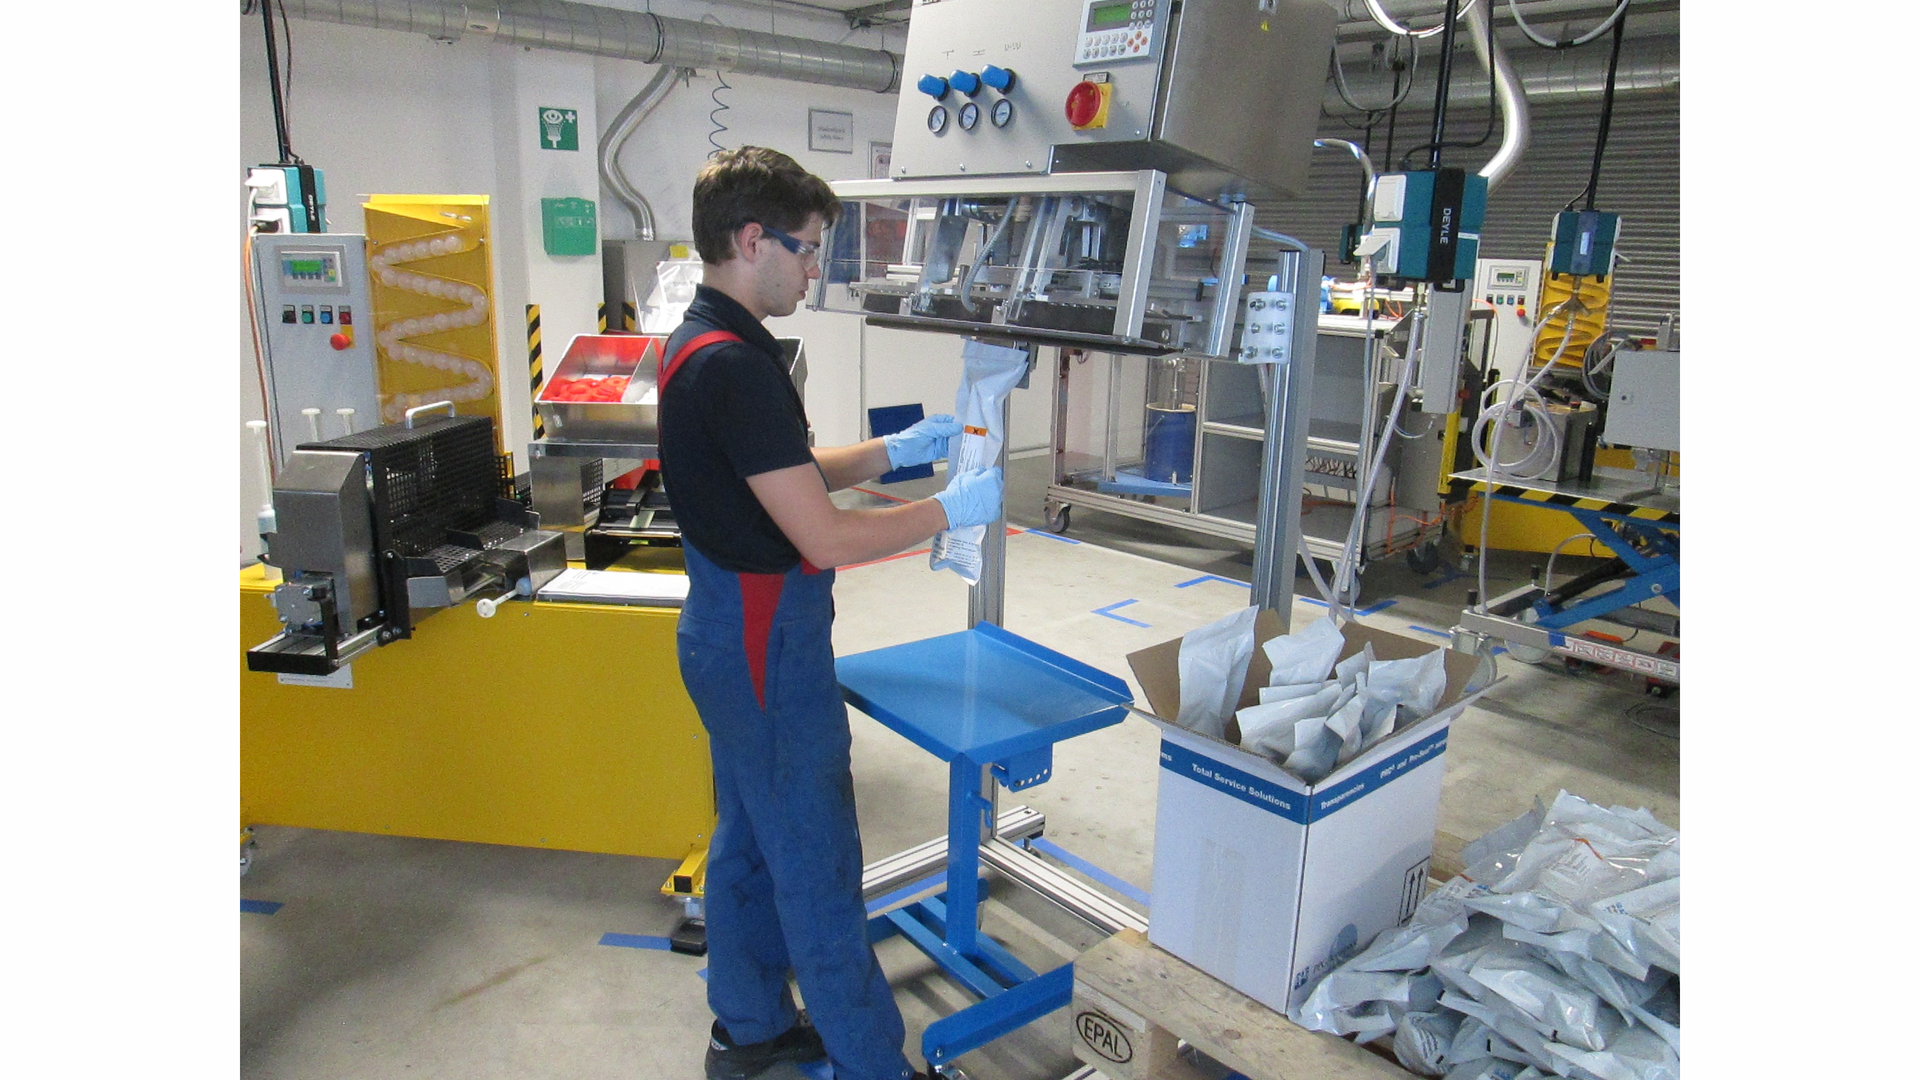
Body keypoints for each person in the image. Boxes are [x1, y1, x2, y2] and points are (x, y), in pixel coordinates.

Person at [658, 145, 1003, 1080]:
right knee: (813, 859)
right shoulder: (732, 367)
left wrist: (895, 451)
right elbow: (825, 540)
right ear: (750, 238)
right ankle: (871, 1063)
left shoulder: (704, 341)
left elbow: (785, 473)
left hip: (727, 637)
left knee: (748, 845)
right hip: (768, 648)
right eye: (808, 251)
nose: (816, 270)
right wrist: (949, 511)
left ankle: (750, 1027)